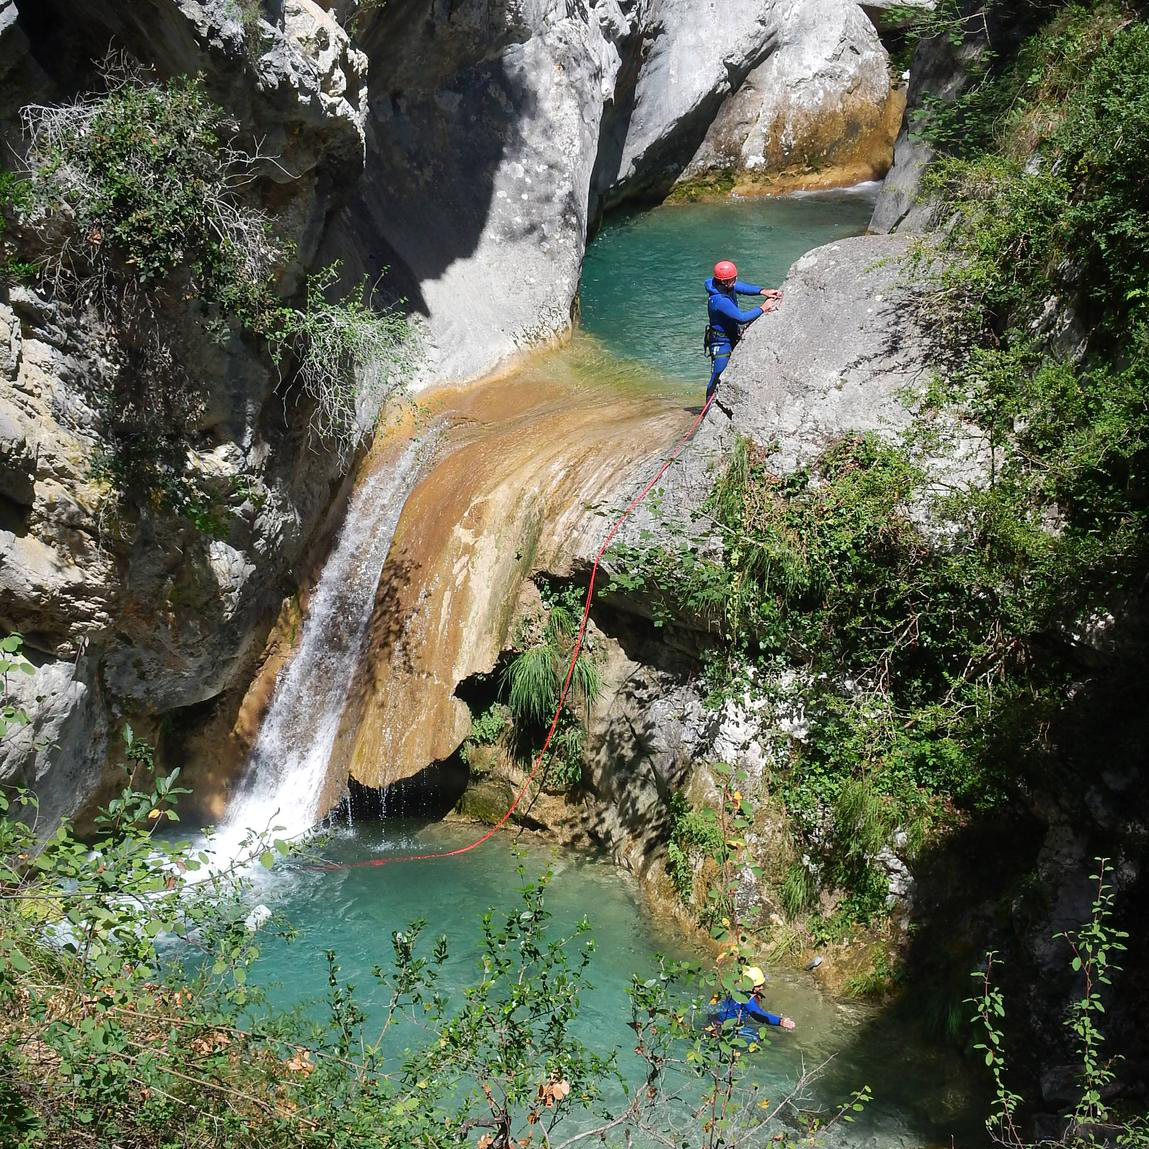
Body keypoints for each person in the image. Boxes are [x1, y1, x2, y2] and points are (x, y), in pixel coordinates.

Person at [704, 260, 782, 416]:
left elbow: (741, 287)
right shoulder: (719, 300)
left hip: (731, 335)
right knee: (718, 373)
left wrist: (762, 291)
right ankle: (707, 412)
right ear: (724, 281)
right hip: (721, 341)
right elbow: (741, 318)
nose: (735, 281)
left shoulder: (723, 285)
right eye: (733, 279)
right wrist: (763, 307)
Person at [710, 965, 796, 1038]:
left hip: (716, 1017)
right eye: (758, 986)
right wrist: (780, 1021)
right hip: (724, 1024)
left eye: (762, 984)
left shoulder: (734, 987)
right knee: (756, 1037)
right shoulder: (747, 999)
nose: (761, 988)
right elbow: (757, 1014)